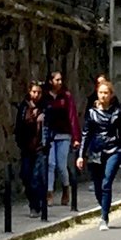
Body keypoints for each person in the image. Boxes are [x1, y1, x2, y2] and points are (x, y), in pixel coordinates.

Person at [81, 76, 121, 226]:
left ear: (111, 95)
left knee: (106, 183)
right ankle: (105, 206)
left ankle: (104, 217)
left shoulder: (117, 114)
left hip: (113, 149)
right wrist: (81, 155)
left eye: (106, 92)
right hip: (96, 151)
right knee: (97, 186)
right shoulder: (91, 113)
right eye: (101, 92)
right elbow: (86, 134)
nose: (103, 95)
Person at [15, 81, 51, 218]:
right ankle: (34, 202)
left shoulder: (45, 107)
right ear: (30, 92)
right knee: (26, 176)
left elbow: (50, 124)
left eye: (39, 92)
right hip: (26, 147)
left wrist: (44, 120)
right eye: (34, 92)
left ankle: (37, 206)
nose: (36, 95)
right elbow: (19, 127)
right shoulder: (24, 107)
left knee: (37, 178)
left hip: (40, 148)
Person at [44, 67, 80, 203]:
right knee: (50, 164)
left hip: (64, 134)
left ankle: (66, 188)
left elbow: (72, 116)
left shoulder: (66, 96)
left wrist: (76, 137)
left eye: (60, 80)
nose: (59, 82)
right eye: (56, 79)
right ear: (50, 81)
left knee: (61, 165)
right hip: (50, 135)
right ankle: (49, 192)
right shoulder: (46, 96)